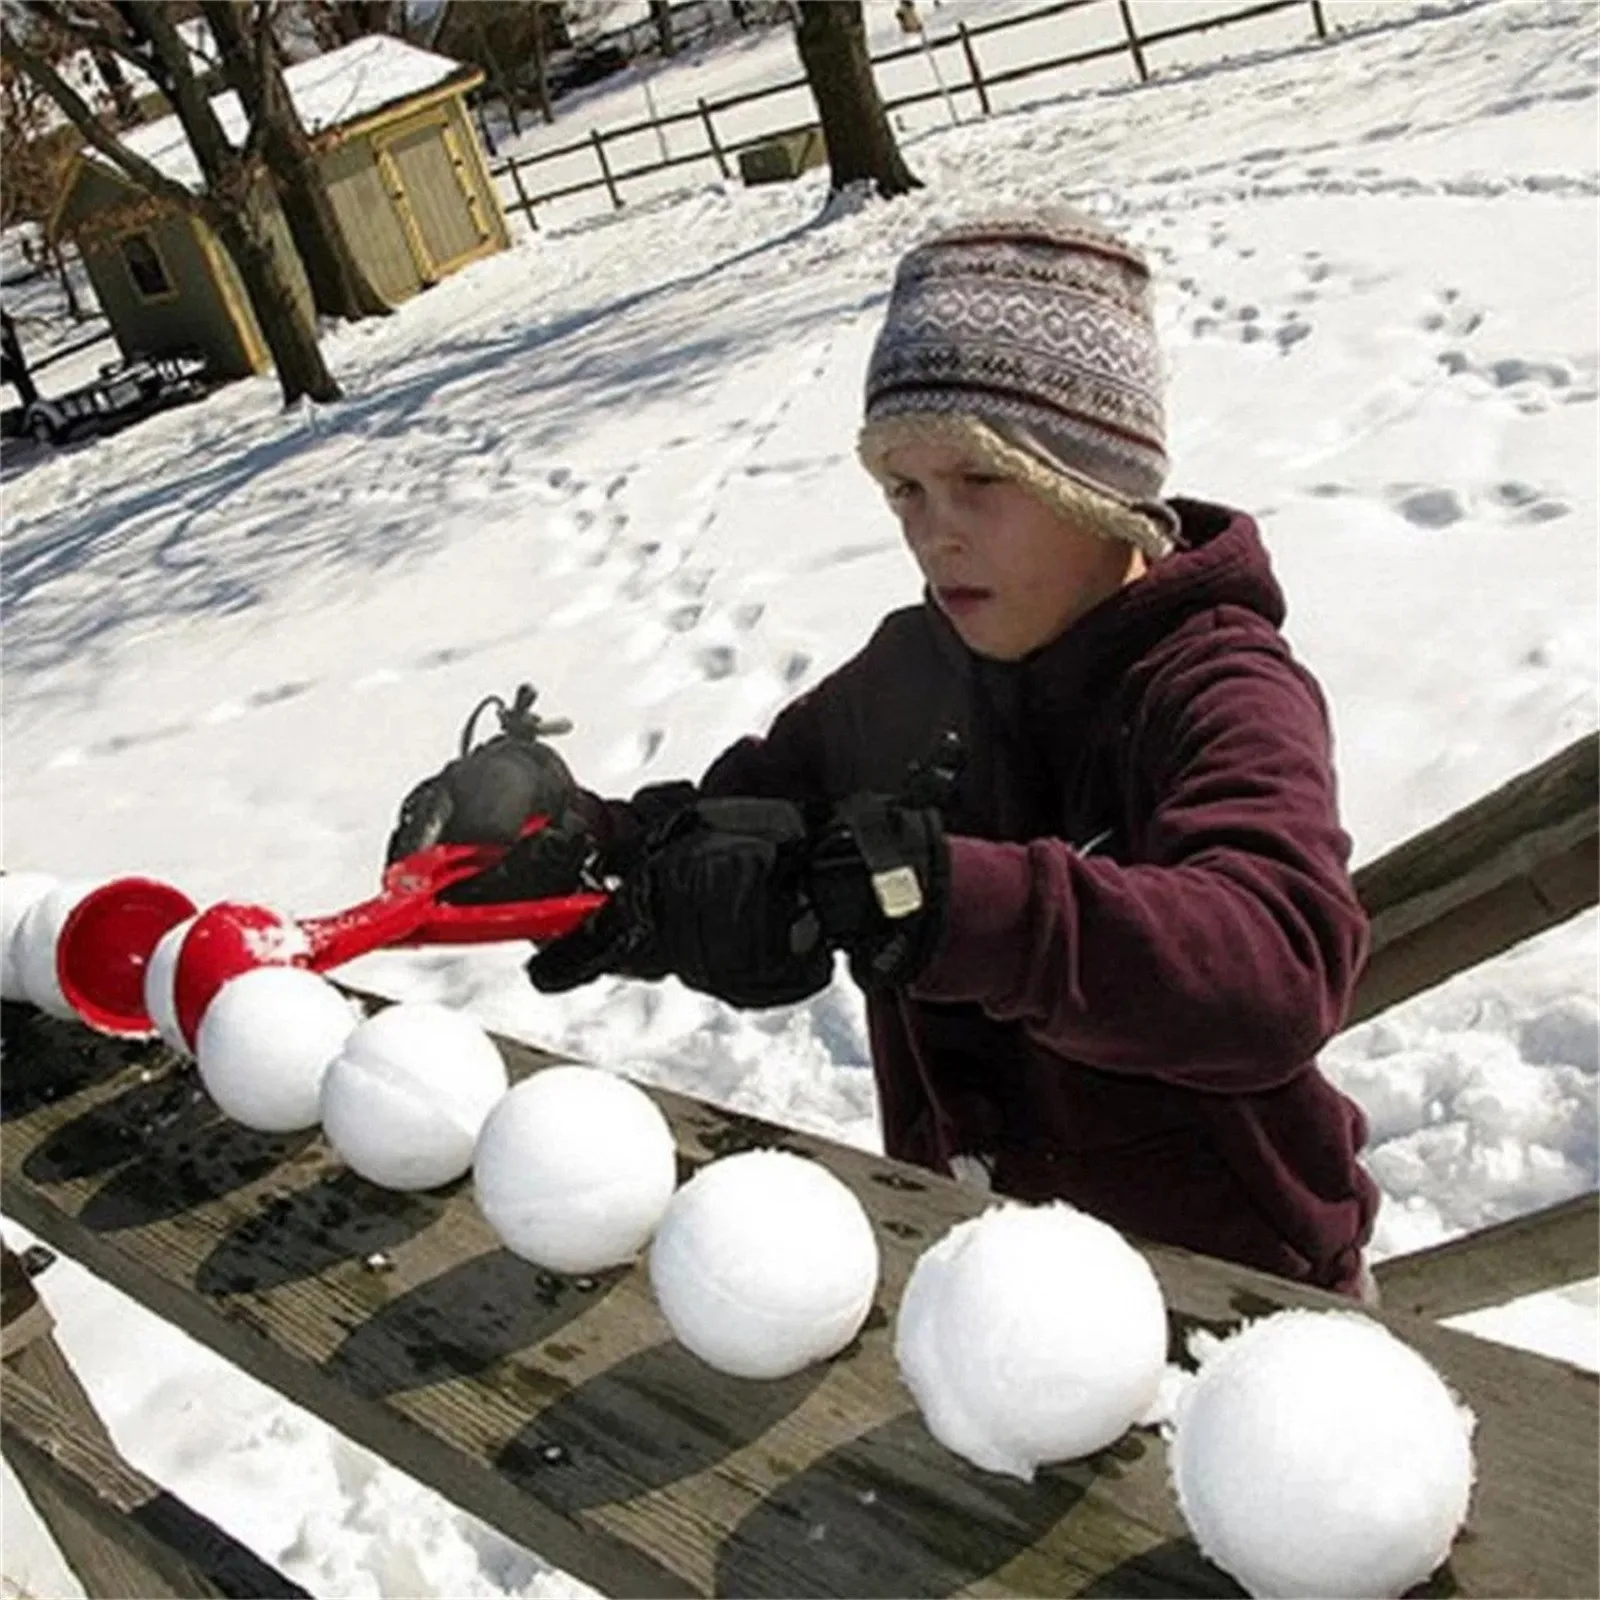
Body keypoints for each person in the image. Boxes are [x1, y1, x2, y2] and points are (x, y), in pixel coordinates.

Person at [388, 208, 1380, 1298]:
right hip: (981, 1275)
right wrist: (582, 843)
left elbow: (1273, 967)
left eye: (982, 480)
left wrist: (952, 900)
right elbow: (739, 824)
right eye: (903, 488)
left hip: (1237, 1300)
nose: (932, 530)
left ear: (1097, 484)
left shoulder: (1218, 685)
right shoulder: (912, 674)